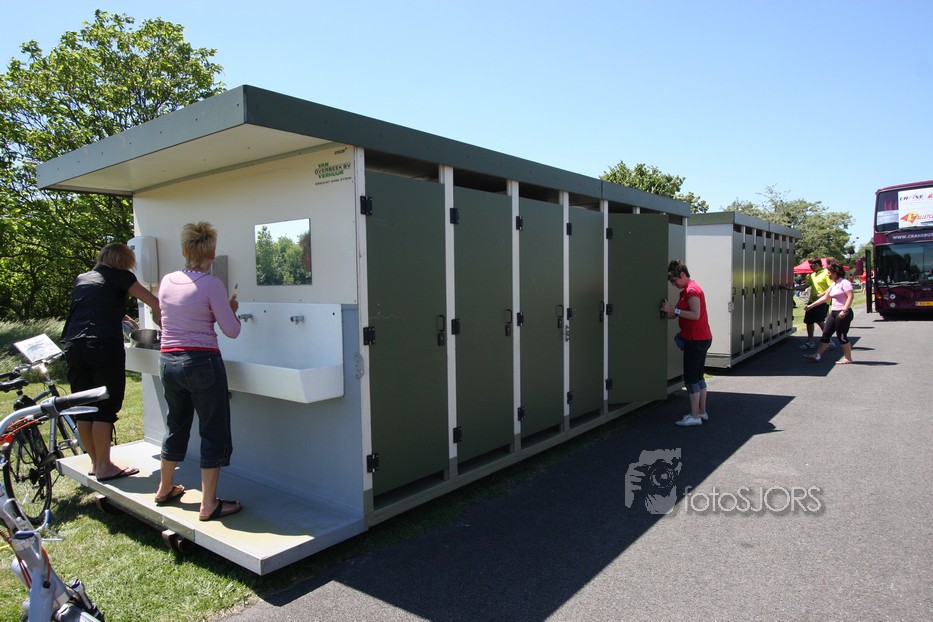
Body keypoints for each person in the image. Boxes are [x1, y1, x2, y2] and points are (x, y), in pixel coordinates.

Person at [154, 222, 243, 520]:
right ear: (212, 254)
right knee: (212, 430)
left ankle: (165, 487)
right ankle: (208, 503)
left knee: (175, 424)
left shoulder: (167, 281)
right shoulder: (211, 284)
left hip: (168, 361)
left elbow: (171, 318)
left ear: (184, 250)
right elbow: (232, 331)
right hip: (202, 362)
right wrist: (230, 309)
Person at [61, 243, 161, 481]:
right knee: (104, 408)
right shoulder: (121, 276)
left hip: (73, 345)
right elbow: (154, 302)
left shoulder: (83, 278)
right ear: (123, 261)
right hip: (102, 346)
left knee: (84, 408)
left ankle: (97, 463)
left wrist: (122, 316)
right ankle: (105, 467)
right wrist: (162, 323)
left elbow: (93, 306)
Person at [661, 260, 712, 426]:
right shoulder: (685, 291)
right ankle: (701, 412)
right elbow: (675, 314)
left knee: (691, 379)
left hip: (695, 340)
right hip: (699, 339)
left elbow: (695, 314)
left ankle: (695, 416)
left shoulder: (691, 290)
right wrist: (667, 311)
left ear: (682, 274)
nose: (673, 284)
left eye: (674, 280)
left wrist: (674, 310)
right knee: (698, 377)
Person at [803, 261, 855, 364]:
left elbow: (850, 296)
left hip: (844, 313)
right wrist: (811, 306)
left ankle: (848, 358)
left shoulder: (845, 283)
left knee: (841, 336)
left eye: (829, 272)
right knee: (825, 334)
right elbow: (825, 298)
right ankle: (817, 356)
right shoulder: (834, 285)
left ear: (836, 272)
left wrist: (844, 310)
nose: (828, 274)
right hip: (834, 312)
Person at [783, 258, 833, 349]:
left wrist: (820, 295)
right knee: (808, 321)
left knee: (819, 321)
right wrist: (790, 288)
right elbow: (805, 286)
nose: (810, 267)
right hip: (812, 301)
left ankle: (829, 341)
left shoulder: (826, 273)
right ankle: (810, 342)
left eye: (811, 266)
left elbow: (832, 287)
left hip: (823, 301)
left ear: (817, 264)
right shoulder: (813, 275)